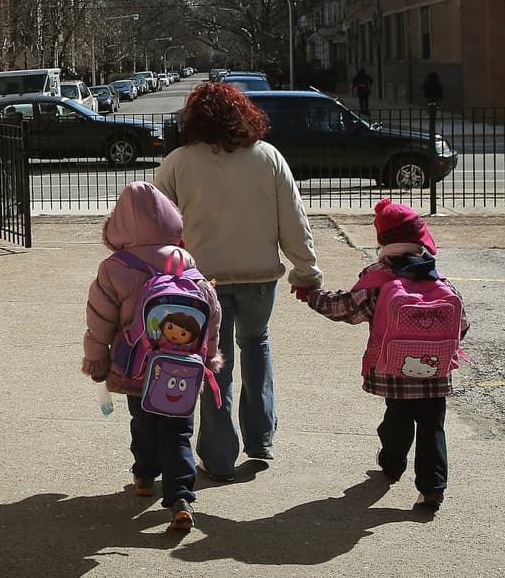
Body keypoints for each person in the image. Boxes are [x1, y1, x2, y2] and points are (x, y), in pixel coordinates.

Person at [152, 82, 322, 482]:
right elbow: (294, 222)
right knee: (256, 345)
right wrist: (306, 270)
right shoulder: (268, 158)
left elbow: (156, 224)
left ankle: (219, 455)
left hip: (201, 282)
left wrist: (155, 274)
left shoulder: (178, 163)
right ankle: (261, 438)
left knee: (213, 365)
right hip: (260, 277)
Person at [295, 198, 469, 511]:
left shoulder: (378, 280)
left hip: (394, 370)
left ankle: (392, 463)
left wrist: (312, 296)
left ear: (383, 242)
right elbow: (462, 325)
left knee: (397, 420)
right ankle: (432, 488)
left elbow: (344, 309)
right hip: (435, 374)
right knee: (432, 426)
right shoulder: (437, 280)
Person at [81, 181, 223, 531]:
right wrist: (208, 355)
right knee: (177, 433)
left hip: (136, 367)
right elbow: (212, 313)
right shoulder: (186, 262)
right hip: (182, 369)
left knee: (143, 424)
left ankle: (144, 476)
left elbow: (99, 320)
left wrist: (97, 359)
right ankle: (181, 499)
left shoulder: (114, 267)